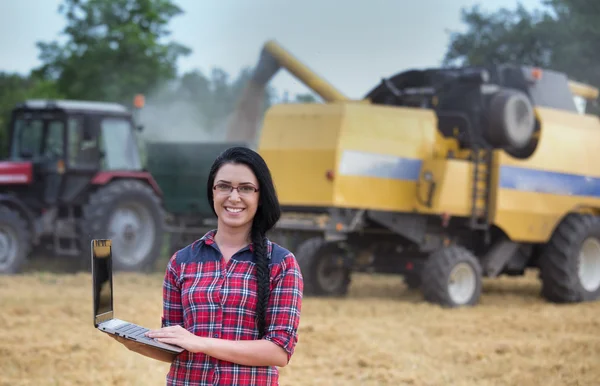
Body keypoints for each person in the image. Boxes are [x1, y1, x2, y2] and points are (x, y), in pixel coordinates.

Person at [112, 146, 304, 385]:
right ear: (212, 192)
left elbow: (278, 351)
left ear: (260, 196)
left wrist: (202, 343)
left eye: (245, 188)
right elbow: (176, 348)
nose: (233, 197)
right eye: (224, 186)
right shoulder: (181, 262)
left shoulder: (281, 264)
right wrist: (134, 342)